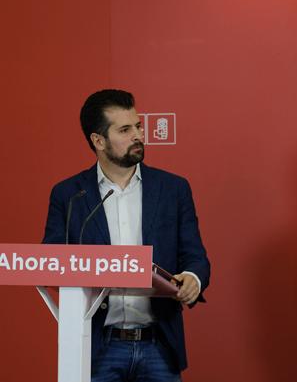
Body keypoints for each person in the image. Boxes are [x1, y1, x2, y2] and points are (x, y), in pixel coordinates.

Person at [43, 89, 211, 381]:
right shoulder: (69, 195)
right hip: (96, 344)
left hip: (158, 343)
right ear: (98, 140)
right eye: (125, 129)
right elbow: (51, 261)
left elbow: (195, 257)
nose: (138, 135)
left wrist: (192, 279)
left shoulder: (173, 189)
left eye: (138, 126)